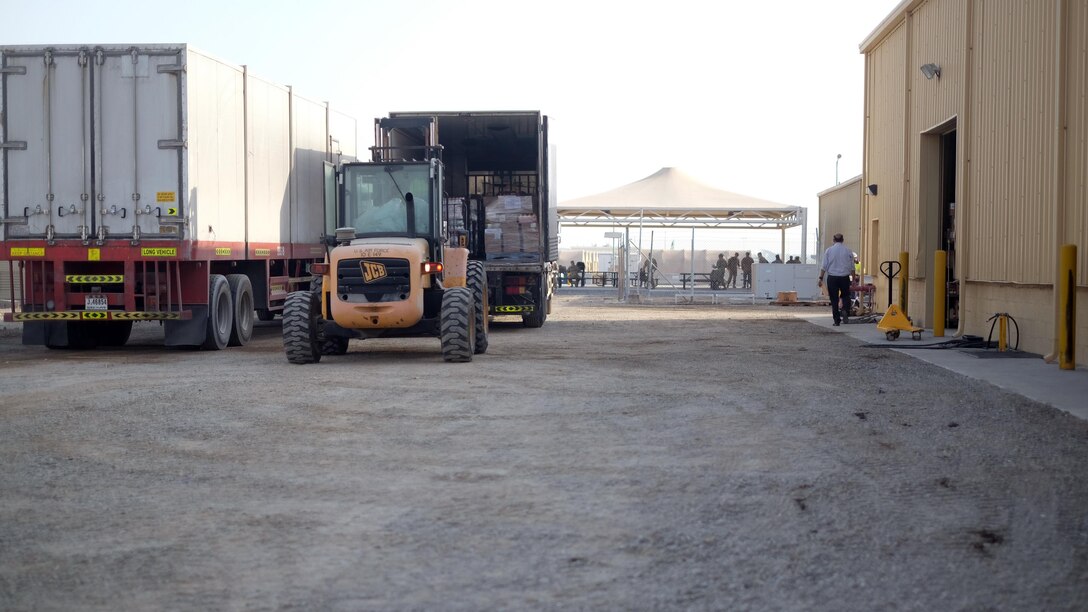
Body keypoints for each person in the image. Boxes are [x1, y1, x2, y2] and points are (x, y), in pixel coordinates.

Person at [818, 233, 855, 326]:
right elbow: (852, 267)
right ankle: (845, 310)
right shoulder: (848, 251)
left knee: (834, 299)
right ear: (843, 240)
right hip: (844, 277)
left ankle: (836, 320)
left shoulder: (829, 251)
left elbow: (824, 266)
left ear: (833, 240)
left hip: (832, 278)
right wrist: (853, 279)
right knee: (846, 296)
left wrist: (820, 278)